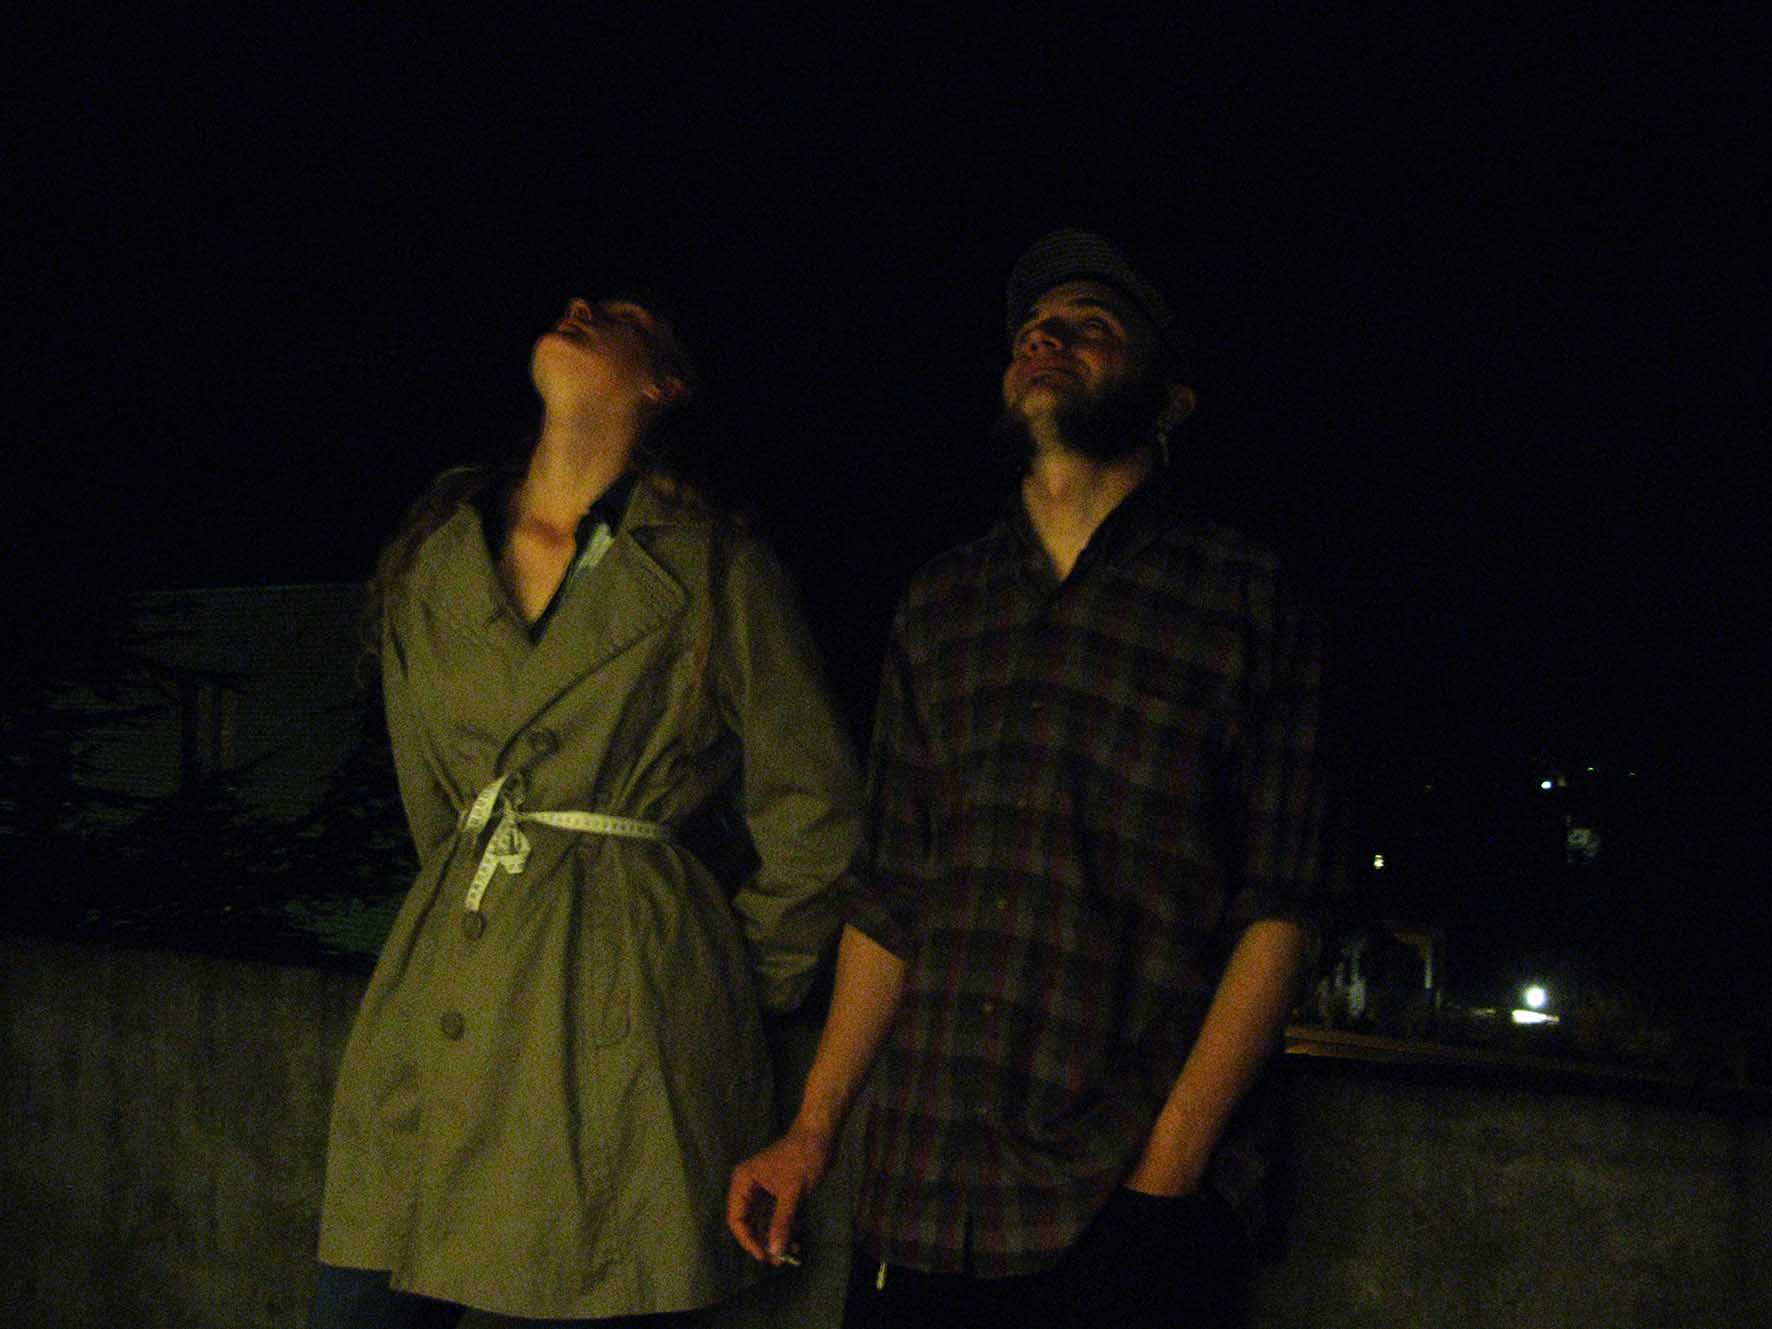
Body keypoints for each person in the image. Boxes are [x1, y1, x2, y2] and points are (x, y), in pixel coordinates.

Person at [727, 229, 1331, 1328]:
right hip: (919, 1187)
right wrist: (811, 1132)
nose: (1045, 337)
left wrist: (1169, 1166)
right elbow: (890, 893)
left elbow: (1283, 904)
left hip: (1122, 1194)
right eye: (1032, 329)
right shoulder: (942, 602)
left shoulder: (1244, 597)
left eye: (1089, 325)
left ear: (1171, 400)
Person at [312, 289, 863, 1326]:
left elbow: (818, 810)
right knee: (366, 1292)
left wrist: (715, 979)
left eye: (616, 314)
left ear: (663, 384)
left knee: (578, 1280)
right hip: (447, 987)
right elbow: (435, 806)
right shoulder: (436, 558)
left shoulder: (713, 567)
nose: (576, 307)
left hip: (619, 1009)